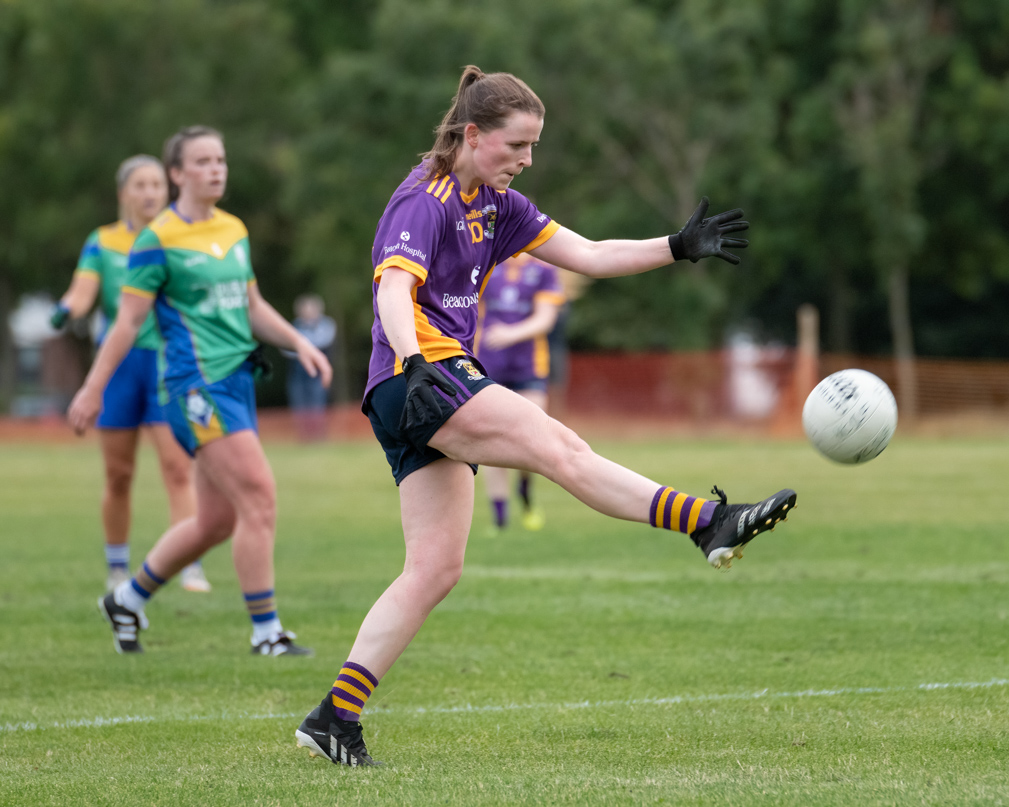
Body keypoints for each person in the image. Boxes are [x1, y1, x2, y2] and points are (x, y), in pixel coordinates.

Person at [294, 66, 796, 766]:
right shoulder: (425, 200)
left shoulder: (498, 203)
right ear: (472, 135)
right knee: (557, 445)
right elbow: (392, 293)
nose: (527, 160)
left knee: (435, 568)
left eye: (533, 146)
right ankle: (705, 521)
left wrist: (675, 247)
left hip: (421, 383)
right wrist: (413, 364)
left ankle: (333, 717)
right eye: (516, 145)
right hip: (422, 374)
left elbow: (587, 254)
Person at [68, 126, 332, 656]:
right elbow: (126, 324)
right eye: (204, 161)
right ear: (178, 173)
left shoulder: (234, 228)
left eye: (221, 159)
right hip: (195, 387)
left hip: (238, 381)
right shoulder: (155, 240)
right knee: (259, 495)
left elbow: (251, 304)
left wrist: (297, 341)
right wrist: (92, 389)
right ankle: (267, 633)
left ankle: (127, 598)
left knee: (216, 520)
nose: (217, 169)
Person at [52, 155, 211, 594]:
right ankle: (117, 566)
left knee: (179, 469)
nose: (149, 193)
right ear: (124, 193)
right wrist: (67, 309)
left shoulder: (173, 238)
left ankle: (189, 563)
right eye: (140, 186)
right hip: (120, 366)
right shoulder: (101, 242)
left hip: (166, 364)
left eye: (156, 185)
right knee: (119, 474)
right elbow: (82, 292)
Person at [474, 252, 565, 532]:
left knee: (535, 437)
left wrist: (509, 334)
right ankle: (499, 519)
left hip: (529, 367)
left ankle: (525, 490)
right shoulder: (485, 264)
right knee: (491, 442)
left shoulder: (544, 270)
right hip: (488, 365)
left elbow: (545, 320)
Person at [285, 293, 337, 441]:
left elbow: (325, 340)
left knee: (317, 404)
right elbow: (284, 349)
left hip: (318, 373)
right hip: (298, 373)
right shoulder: (294, 326)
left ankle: (319, 436)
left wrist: (300, 345)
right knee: (299, 405)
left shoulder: (327, 324)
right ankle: (304, 437)